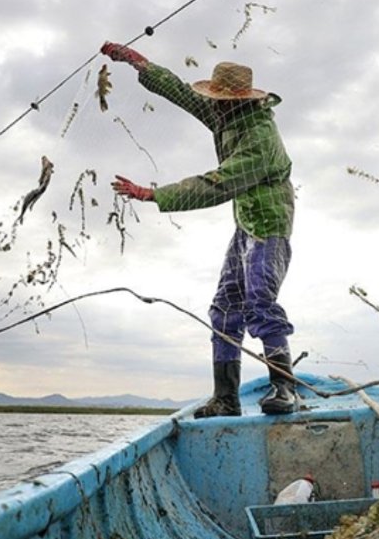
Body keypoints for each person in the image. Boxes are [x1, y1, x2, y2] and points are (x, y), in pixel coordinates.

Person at [100, 41, 298, 417]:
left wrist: (152, 194)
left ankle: (285, 388)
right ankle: (225, 399)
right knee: (225, 306)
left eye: (222, 100)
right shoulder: (227, 115)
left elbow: (217, 184)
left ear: (241, 100)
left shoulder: (259, 139)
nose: (215, 106)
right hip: (245, 224)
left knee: (259, 300)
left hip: (270, 224)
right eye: (216, 100)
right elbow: (179, 92)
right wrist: (138, 62)